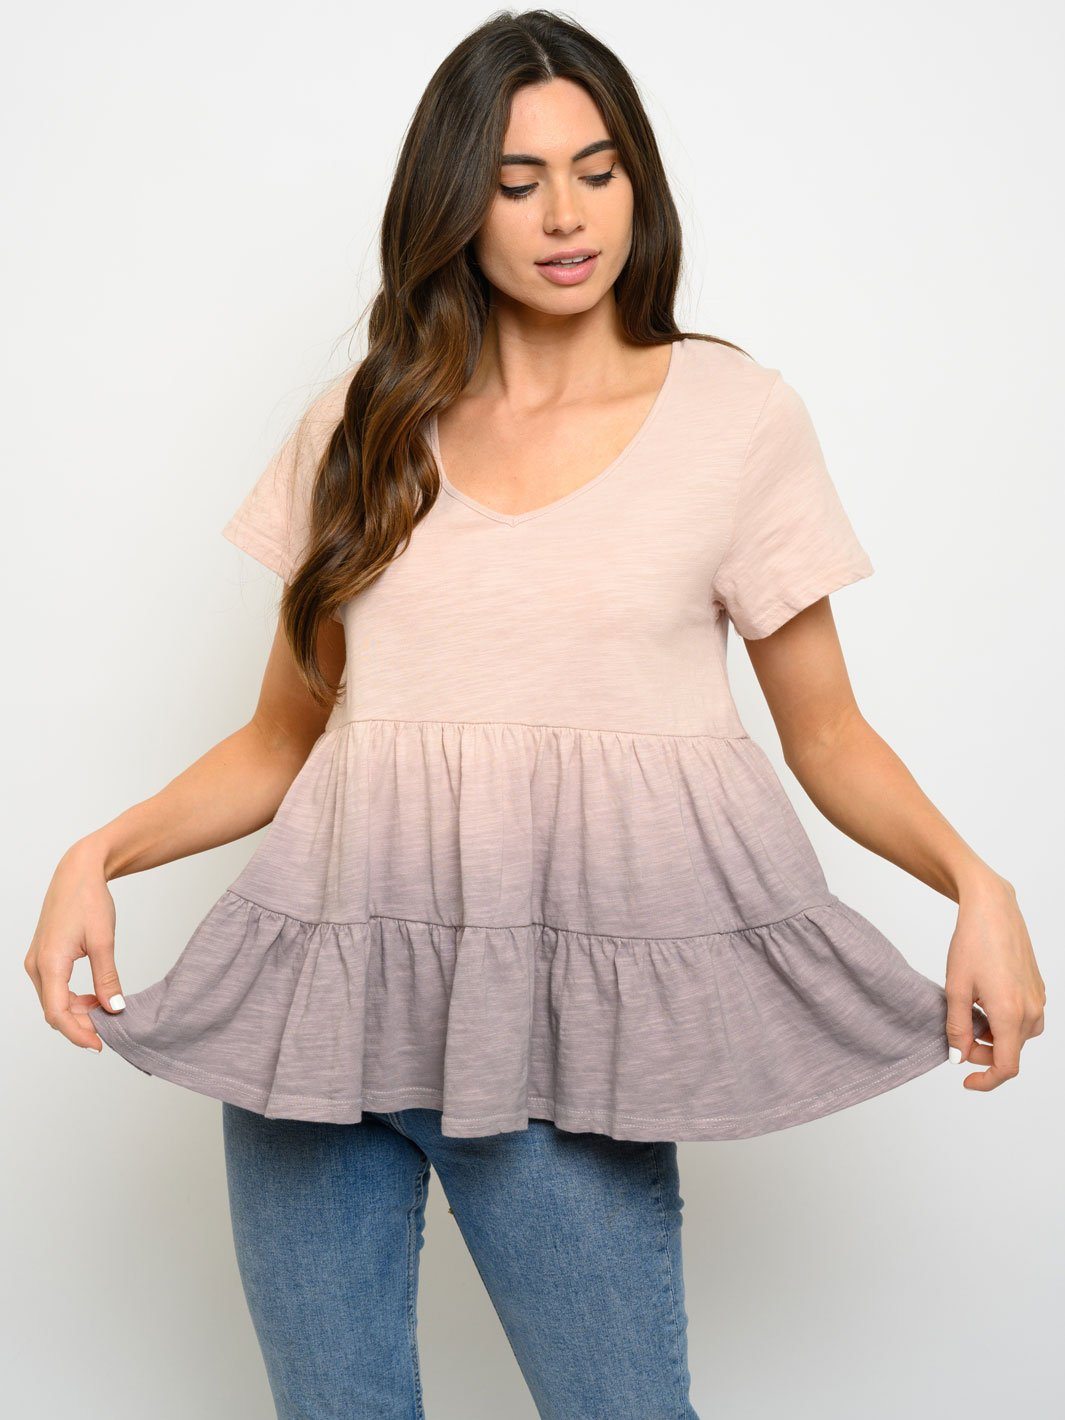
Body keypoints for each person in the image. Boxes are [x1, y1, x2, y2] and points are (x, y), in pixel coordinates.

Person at [26, 10, 1045, 1420]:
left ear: (639, 183)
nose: (566, 216)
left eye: (597, 170)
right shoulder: (363, 422)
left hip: (560, 1033)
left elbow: (825, 735)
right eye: (516, 183)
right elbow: (281, 742)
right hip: (321, 1020)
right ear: (454, 204)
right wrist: (97, 854)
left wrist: (976, 885)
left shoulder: (737, 419)